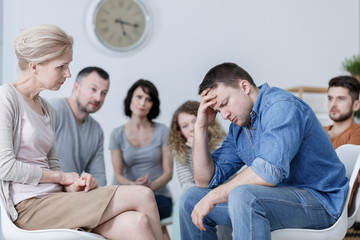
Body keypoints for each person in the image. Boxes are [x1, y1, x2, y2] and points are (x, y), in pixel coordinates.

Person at [0, 24, 163, 240]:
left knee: (137, 223)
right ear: (35, 65)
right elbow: (5, 167)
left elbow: (53, 165)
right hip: (29, 208)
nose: (68, 74)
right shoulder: (6, 98)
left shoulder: (46, 108)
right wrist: (61, 177)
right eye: (61, 66)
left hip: (57, 201)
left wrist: (71, 185)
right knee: (143, 195)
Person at [179, 62, 348, 240]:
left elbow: (268, 172)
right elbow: (204, 180)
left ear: (244, 86)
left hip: (321, 203)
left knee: (244, 195)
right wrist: (201, 126)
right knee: (191, 199)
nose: (225, 115)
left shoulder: (280, 106)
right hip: (277, 201)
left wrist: (215, 195)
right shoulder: (239, 127)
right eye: (218, 110)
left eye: (225, 103)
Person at [109, 79, 173, 240]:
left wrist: (149, 188)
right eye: (138, 97)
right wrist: (135, 187)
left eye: (148, 99)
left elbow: (168, 173)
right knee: (134, 215)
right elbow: (118, 175)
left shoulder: (163, 131)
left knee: (144, 211)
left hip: (159, 196)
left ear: (153, 104)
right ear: (130, 99)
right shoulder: (117, 134)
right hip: (129, 195)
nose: (142, 102)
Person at [167, 100, 231, 239]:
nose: (191, 128)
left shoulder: (221, 142)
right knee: (187, 200)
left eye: (194, 121)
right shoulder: (181, 152)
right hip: (199, 196)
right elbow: (187, 186)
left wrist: (200, 148)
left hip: (224, 195)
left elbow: (224, 181)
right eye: (185, 126)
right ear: (179, 132)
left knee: (203, 204)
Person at [49, 66, 110, 186]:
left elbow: (99, 177)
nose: (98, 98)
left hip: (74, 195)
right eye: (93, 89)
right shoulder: (53, 109)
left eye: (104, 93)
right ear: (76, 87)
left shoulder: (96, 130)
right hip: (46, 192)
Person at [324, 75, 360, 149]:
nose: (333, 104)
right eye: (330, 98)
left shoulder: (357, 133)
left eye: (341, 99)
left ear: (355, 105)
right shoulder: (319, 131)